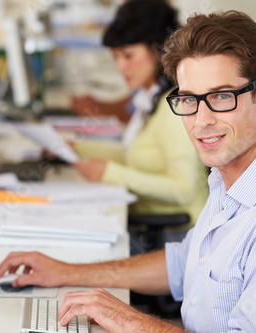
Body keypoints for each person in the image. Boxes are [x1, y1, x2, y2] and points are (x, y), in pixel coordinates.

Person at [0, 11, 256, 332]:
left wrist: (126, 318)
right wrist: (64, 272)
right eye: (189, 99)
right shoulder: (227, 177)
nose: (201, 121)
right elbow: (179, 265)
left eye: (221, 96)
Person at [71, 0, 208, 225]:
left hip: (178, 235)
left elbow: (183, 190)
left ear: (157, 51)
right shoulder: (149, 98)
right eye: (115, 57)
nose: (120, 67)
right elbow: (134, 156)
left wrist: (109, 173)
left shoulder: (176, 108)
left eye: (128, 56)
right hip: (149, 223)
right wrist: (76, 149)